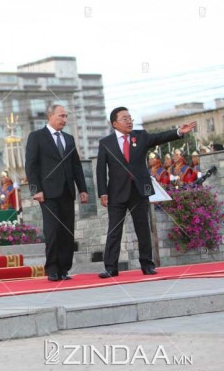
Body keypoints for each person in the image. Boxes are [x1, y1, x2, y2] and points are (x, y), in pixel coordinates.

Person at [96, 107, 196, 278]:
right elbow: (100, 170)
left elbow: (159, 137)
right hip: (116, 193)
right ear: (114, 123)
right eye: (124, 118)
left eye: (130, 118)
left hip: (139, 191)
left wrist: (179, 131)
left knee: (143, 229)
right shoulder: (106, 142)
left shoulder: (140, 136)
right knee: (114, 230)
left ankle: (147, 265)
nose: (129, 121)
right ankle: (111, 267)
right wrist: (102, 193)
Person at [25, 104, 88, 282]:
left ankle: (64, 269)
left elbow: (76, 165)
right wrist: (36, 189)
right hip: (48, 193)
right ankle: (52, 268)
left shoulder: (69, 139)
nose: (64, 120)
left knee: (67, 231)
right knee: (52, 231)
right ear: (50, 116)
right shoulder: (37, 136)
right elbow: (31, 165)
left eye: (66, 116)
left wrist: (83, 189)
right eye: (61, 116)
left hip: (67, 192)